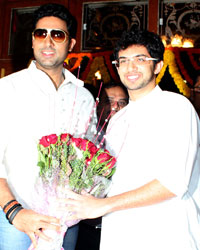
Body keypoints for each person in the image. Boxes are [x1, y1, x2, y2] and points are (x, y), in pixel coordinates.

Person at [62, 30, 200, 250]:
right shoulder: (118, 120)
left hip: (165, 233)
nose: (130, 67)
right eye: (123, 61)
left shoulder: (176, 107)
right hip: (120, 233)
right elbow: (113, 178)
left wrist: (103, 205)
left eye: (140, 59)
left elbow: (173, 183)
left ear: (157, 66)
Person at [0, 3, 96, 250]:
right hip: (15, 219)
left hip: (64, 221)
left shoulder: (83, 97)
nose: (48, 42)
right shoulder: (7, 89)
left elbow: (89, 156)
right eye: (41, 34)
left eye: (58, 35)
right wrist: (14, 212)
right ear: (32, 40)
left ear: (71, 44)